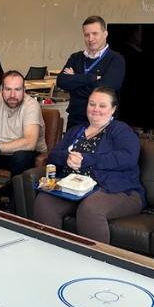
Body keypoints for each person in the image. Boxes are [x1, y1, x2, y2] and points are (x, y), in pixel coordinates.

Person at [33, 87, 144, 244]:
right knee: (45, 201)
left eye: (102, 106)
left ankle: (94, 258)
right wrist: (68, 158)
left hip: (114, 189)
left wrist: (86, 160)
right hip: (74, 187)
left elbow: (128, 158)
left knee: (90, 208)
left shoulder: (121, 130)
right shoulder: (75, 131)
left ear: (113, 109)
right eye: (92, 104)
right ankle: (50, 252)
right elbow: (54, 155)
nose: (95, 109)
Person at [56, 15, 125, 129]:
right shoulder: (75, 58)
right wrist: (91, 78)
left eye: (95, 33)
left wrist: (74, 83)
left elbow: (106, 90)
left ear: (105, 34)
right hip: (75, 121)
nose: (90, 38)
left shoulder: (115, 59)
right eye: (87, 35)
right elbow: (61, 81)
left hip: (102, 124)